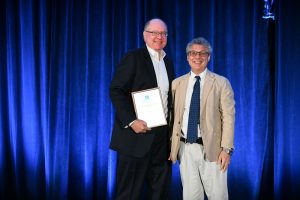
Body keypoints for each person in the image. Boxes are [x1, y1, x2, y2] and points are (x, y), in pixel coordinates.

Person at [109, 18, 174, 200]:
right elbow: (116, 90)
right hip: (135, 136)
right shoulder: (133, 58)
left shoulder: (168, 62)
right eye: (154, 33)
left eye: (163, 34)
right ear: (145, 35)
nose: (159, 37)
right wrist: (131, 121)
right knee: (129, 194)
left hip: (162, 139)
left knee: (160, 193)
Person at [169, 37, 235, 200]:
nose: (197, 57)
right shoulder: (177, 83)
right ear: (187, 57)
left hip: (213, 150)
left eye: (202, 53)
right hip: (185, 149)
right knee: (191, 196)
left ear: (209, 57)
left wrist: (226, 149)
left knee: (218, 196)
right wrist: (172, 147)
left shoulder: (221, 83)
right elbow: (172, 117)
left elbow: (229, 117)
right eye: (193, 53)